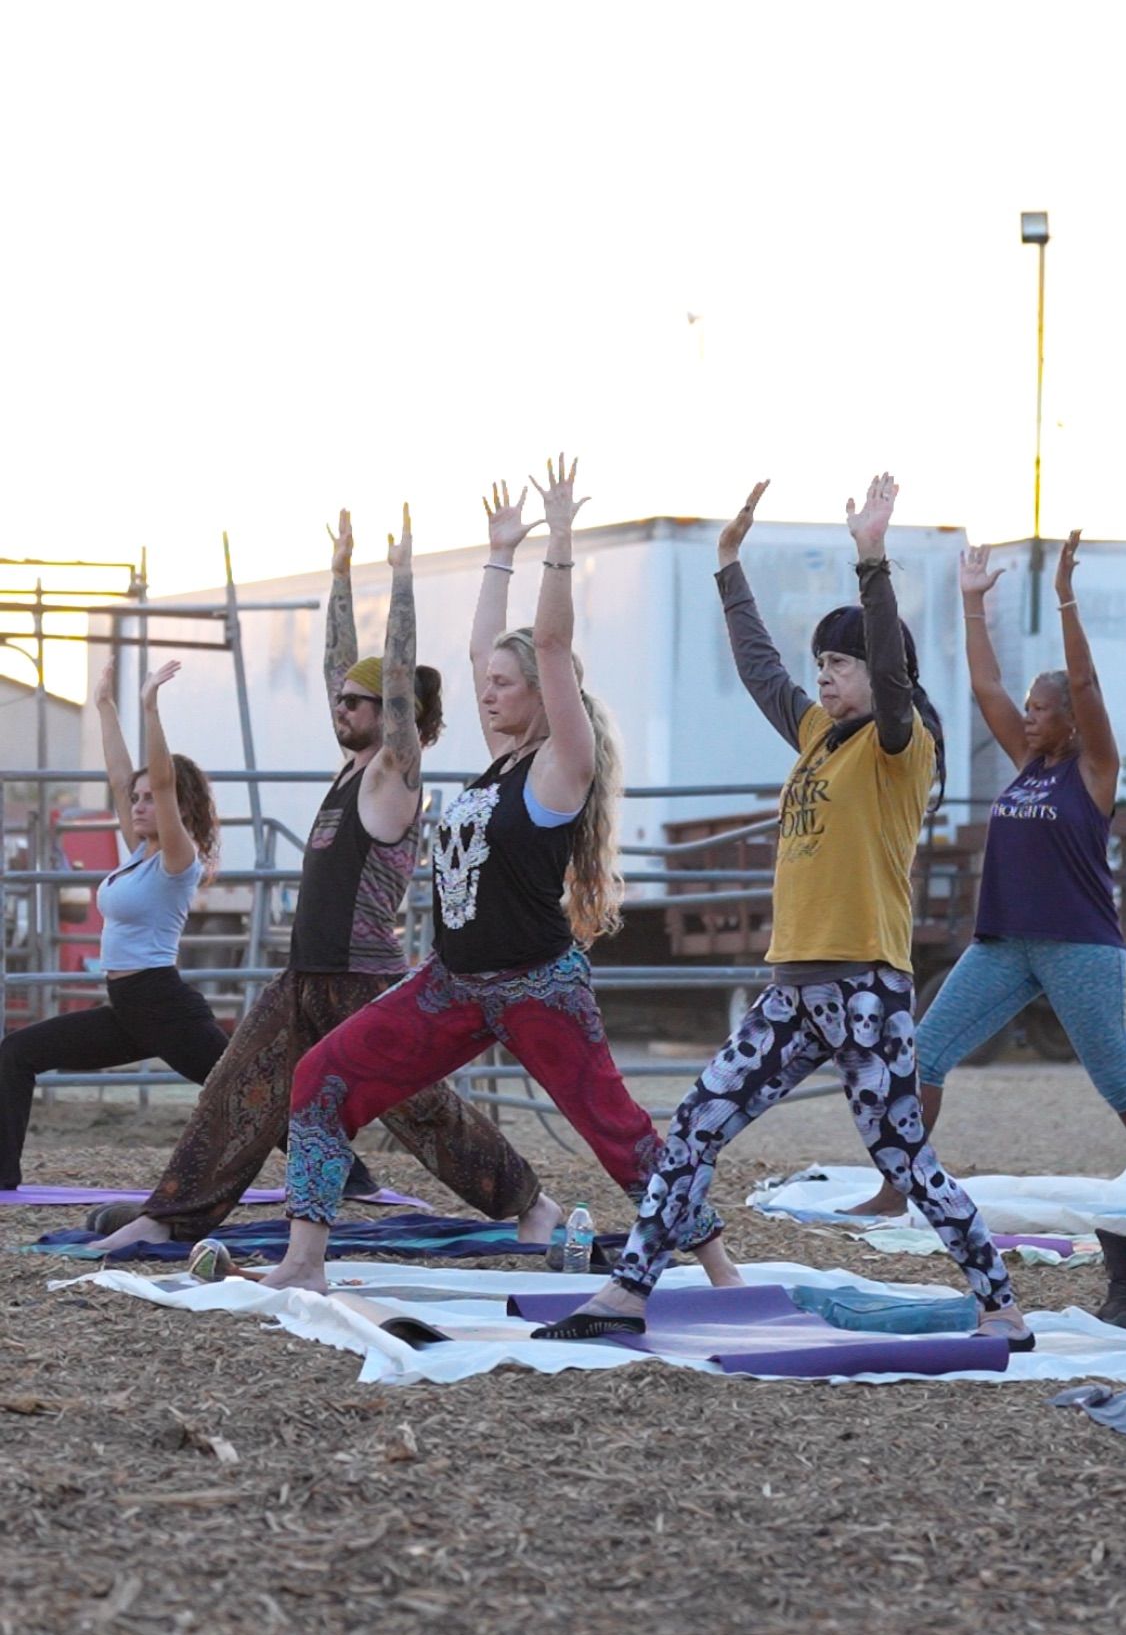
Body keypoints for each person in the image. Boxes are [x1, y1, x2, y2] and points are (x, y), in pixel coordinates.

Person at [536, 474, 1033, 1348]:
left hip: (865, 985)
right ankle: (628, 1290)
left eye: (839, 665)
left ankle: (998, 1298)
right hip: (793, 987)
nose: (826, 678)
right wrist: (729, 568)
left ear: (880, 674)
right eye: (824, 666)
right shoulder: (817, 737)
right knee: (695, 1125)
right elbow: (762, 669)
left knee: (899, 1156)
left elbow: (885, 663)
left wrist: (872, 558)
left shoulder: (899, 745)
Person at [262, 460, 742, 1294]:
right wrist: (497, 552)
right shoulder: (499, 766)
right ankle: (304, 1266)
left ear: (546, 695)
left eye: (505, 685)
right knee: (320, 1080)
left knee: (618, 1133)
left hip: (536, 987)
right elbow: (487, 645)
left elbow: (548, 644)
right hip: (452, 984)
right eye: (484, 685)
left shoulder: (563, 766)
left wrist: (556, 543)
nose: (487, 692)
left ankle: (722, 1272)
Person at [91, 506, 551, 1254]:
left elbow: (393, 678)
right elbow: (348, 665)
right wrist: (341, 575)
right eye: (340, 700)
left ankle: (531, 1204)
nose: (341, 706)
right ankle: (168, 1216)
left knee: (417, 1106)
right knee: (236, 1090)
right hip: (306, 974)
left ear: (397, 715)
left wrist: (402, 580)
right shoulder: (349, 766)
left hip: (364, 980)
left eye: (356, 702)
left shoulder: (395, 773)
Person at [844, 531, 1126, 1334]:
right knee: (927, 1050)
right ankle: (899, 1183)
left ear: (1070, 720)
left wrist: (1063, 596)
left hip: (1079, 946)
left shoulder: (1091, 769)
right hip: (1003, 944)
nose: (1026, 718)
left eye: (1041, 710)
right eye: (1026, 710)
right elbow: (983, 680)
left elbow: (1086, 680)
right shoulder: (1026, 765)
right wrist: (972, 601)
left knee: (1122, 1085)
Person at [0, 660, 227, 1188]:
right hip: (127, 1008)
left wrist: (150, 708)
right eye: (138, 800)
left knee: (242, 1091)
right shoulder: (138, 852)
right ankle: (2, 1178)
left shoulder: (178, 857)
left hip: (162, 1005)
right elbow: (121, 777)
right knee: (15, 1054)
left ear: (176, 803)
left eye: (152, 799)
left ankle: (344, 1175)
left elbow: (162, 783)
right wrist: (104, 706)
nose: (141, 803)